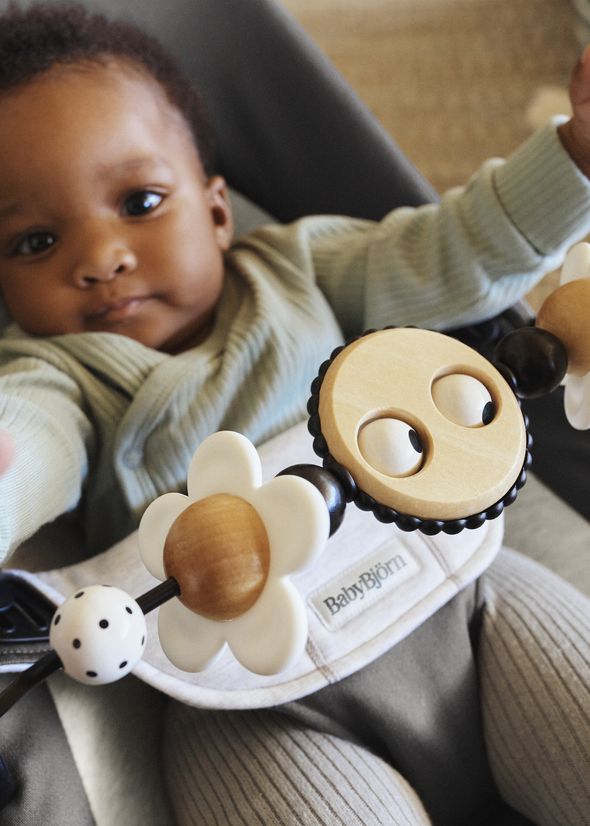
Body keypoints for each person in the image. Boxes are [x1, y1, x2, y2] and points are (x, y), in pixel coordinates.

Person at [0, 3, 588, 825]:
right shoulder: (57, 376)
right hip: (249, 706)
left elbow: (453, 254)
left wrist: (571, 158)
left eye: (139, 201)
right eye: (35, 243)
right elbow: (24, 447)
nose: (101, 259)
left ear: (217, 212)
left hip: (459, 596)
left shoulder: (302, 269)